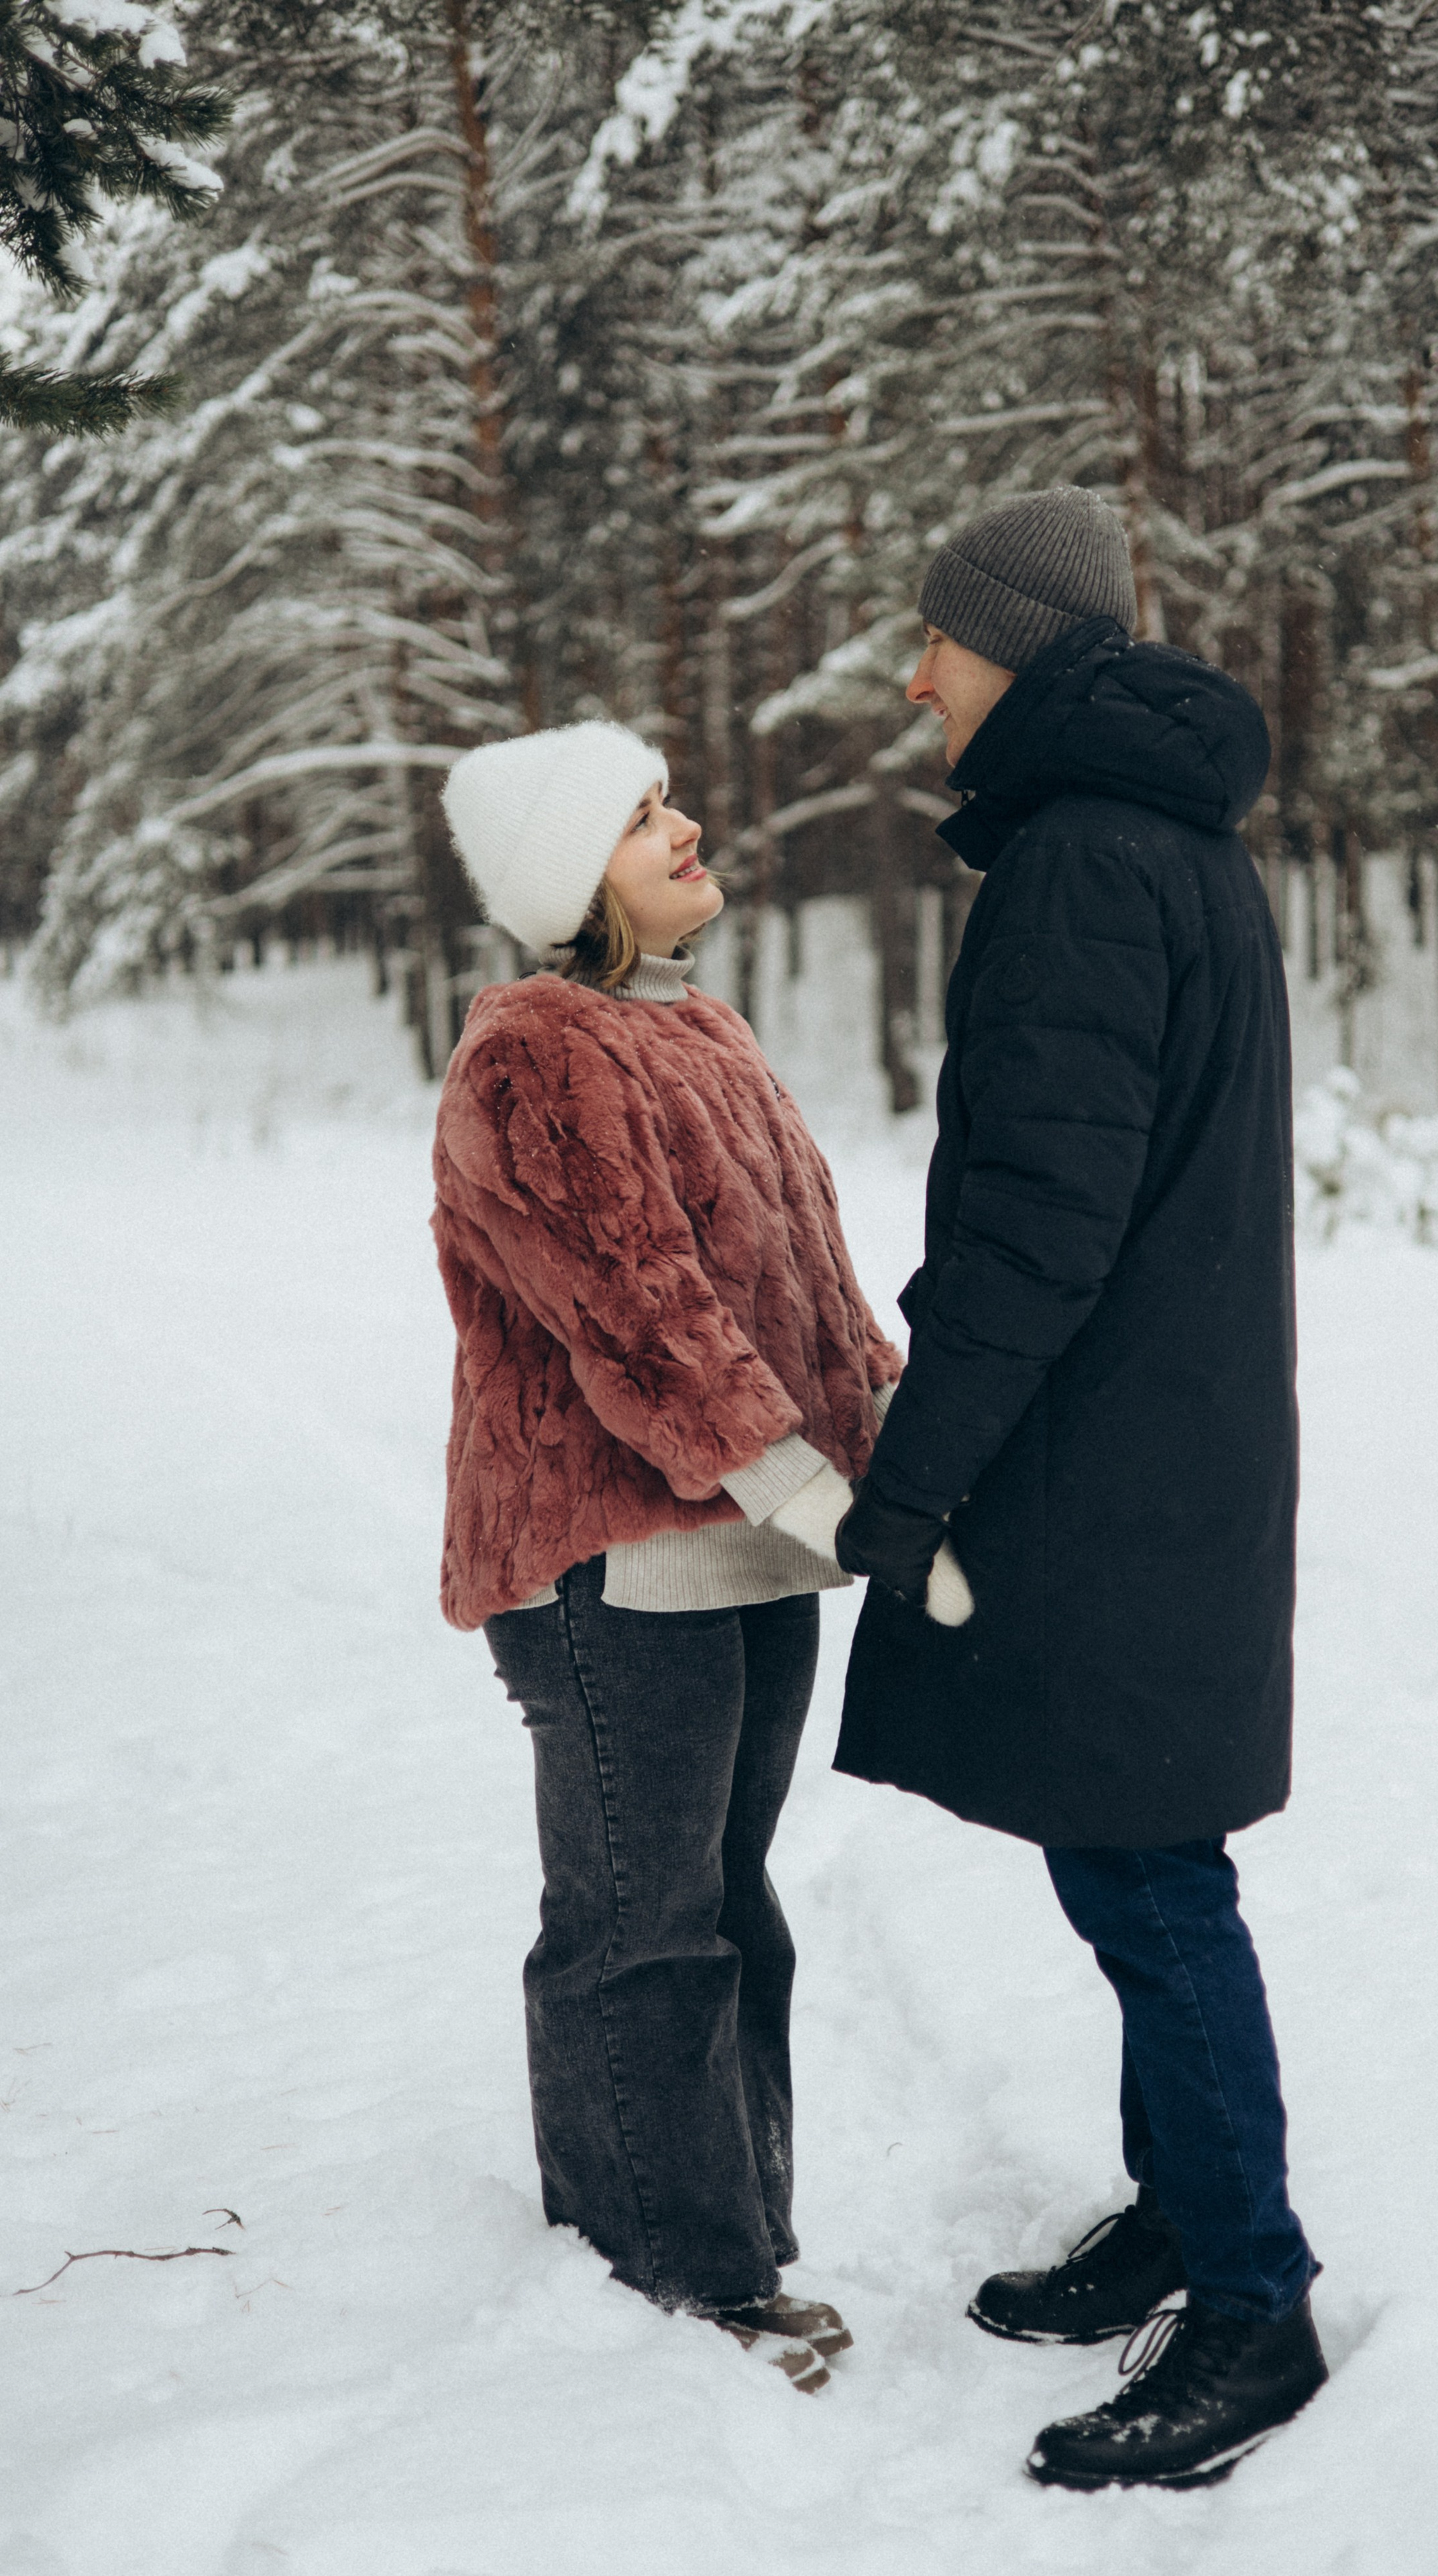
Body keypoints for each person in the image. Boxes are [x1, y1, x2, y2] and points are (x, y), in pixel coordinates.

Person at [832, 485, 1327, 2485]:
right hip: (1158, 1445)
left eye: (940, 640)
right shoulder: (1153, 844)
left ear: (1020, 648)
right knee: (1121, 1852)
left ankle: (1255, 2299)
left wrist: (909, 1475)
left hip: (1111, 1460)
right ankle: (1178, 2212)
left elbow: (1038, 1224)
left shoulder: (1082, 869)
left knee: (1149, 1874)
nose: (917, 674)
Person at [430, 720, 906, 2394]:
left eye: (668, 801)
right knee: (642, 1924)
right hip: (612, 1558)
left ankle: (728, 2236)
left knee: (722, 1904)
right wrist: (793, 1477)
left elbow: (808, 1288)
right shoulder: (534, 1054)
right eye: (643, 816)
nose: (687, 823)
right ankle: (670, 2275)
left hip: (751, 1540)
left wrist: (892, 1456)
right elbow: (639, 1312)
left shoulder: (692, 1025)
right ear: (572, 876)